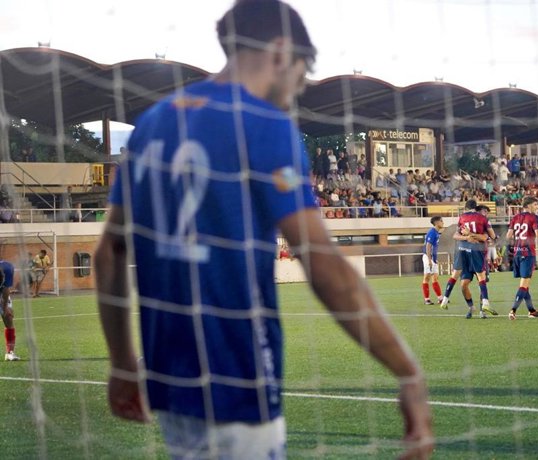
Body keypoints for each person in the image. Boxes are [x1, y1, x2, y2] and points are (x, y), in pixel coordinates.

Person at [94, 2, 433, 459]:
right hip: (238, 373)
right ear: (280, 50)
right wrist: (408, 372)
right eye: (303, 69)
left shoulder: (153, 123)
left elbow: (109, 253)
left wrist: (120, 363)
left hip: (168, 375)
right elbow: (324, 265)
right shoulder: (264, 124)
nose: (299, 86)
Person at [439, 200, 498, 319]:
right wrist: (468, 237)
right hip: (473, 253)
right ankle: (473, 306)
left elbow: (486, 237)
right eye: (484, 211)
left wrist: (469, 234)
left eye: (487, 211)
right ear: (477, 209)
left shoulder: (463, 218)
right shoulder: (482, 220)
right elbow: (492, 236)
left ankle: (483, 310)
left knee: (478, 280)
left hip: (473, 253)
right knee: (465, 284)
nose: (485, 213)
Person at [505, 196, 538, 320]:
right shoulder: (533, 217)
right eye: (535, 205)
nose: (537, 207)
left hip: (517, 254)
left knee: (525, 284)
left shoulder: (515, 218)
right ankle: (513, 310)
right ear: (528, 206)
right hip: (528, 254)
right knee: (524, 284)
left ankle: (531, 310)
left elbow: (508, 236)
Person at [421, 216, 444, 305]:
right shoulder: (432, 232)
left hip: (432, 258)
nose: (443, 223)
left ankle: (440, 298)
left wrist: (435, 259)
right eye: (441, 221)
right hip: (428, 257)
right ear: (437, 222)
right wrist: (430, 260)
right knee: (427, 277)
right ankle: (427, 299)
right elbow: (428, 246)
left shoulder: (437, 233)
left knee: (435, 277)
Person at [1, 260, 19, 361]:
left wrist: (5, 308)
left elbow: (6, 289)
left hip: (2, 294)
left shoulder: (7, 268)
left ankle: (10, 353)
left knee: (8, 318)